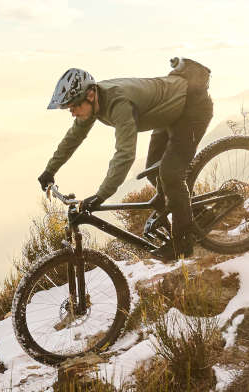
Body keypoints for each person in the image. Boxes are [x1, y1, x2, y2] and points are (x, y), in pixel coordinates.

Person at [37, 59, 214, 260]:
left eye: (73, 106)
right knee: (154, 170)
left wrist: (101, 195)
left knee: (171, 174)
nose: (72, 113)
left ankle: (182, 243)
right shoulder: (94, 103)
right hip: (169, 115)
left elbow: (125, 154)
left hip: (192, 108)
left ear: (90, 95)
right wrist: (50, 170)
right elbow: (73, 138)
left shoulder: (118, 103)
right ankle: (199, 214)